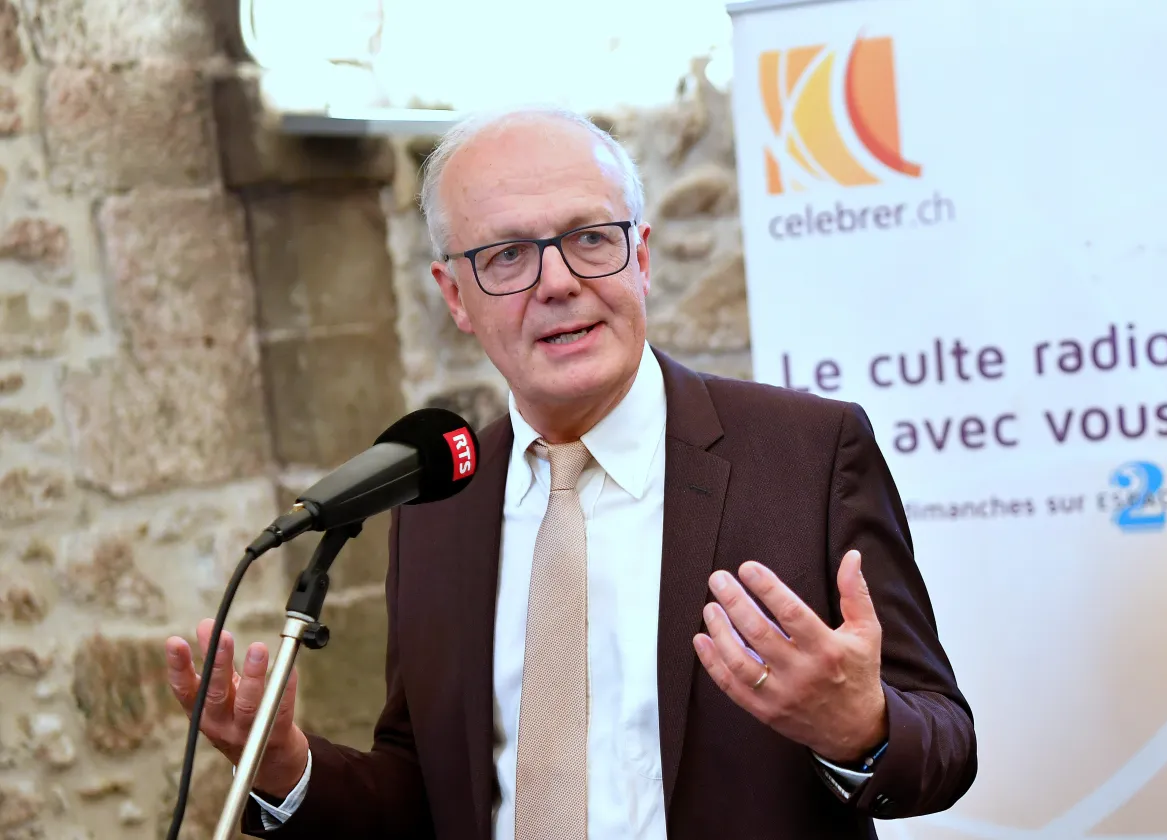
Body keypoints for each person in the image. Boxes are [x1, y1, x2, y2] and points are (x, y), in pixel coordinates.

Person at [164, 105, 977, 840]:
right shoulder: (439, 501)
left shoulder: (806, 452)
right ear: (455, 296)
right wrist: (287, 767)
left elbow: (945, 745)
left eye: (590, 238)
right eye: (508, 255)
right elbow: (430, 788)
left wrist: (860, 726)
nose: (558, 282)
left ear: (641, 257)